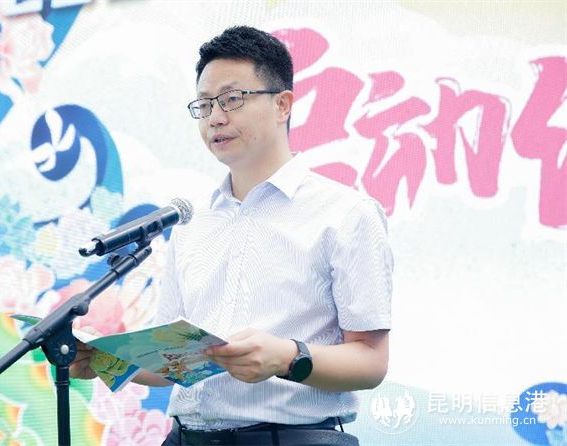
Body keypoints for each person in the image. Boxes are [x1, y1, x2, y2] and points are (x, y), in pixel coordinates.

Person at [71, 26, 393, 446]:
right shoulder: (192, 221)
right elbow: (171, 363)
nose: (215, 118)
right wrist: (104, 360)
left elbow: (371, 361)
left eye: (232, 99)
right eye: (204, 104)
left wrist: (287, 357)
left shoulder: (346, 213)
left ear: (282, 105)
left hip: (288, 439)